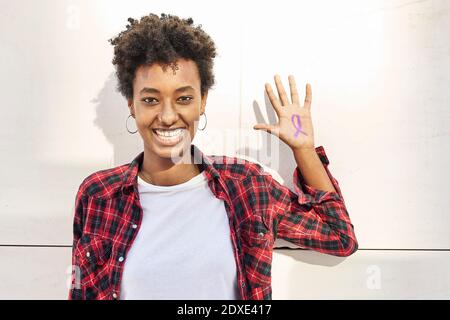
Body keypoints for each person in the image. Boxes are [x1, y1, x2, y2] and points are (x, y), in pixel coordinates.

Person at [68, 13, 358, 300]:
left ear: (203, 100)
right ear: (132, 104)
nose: (168, 116)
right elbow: (81, 292)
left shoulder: (247, 186)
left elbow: (339, 236)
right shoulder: (98, 194)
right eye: (150, 100)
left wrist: (304, 150)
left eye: (184, 98)